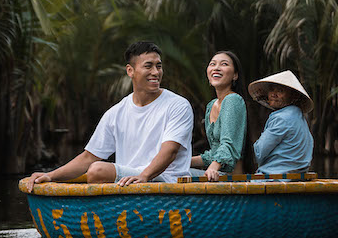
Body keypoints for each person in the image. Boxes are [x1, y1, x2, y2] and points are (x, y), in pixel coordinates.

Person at [26, 41, 193, 189]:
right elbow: (88, 157)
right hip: (129, 183)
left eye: (159, 66)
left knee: (98, 170)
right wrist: (50, 175)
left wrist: (144, 177)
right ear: (130, 70)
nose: (156, 72)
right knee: (96, 166)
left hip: (167, 182)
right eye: (148, 66)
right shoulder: (116, 112)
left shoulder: (178, 105)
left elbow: (170, 151)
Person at [189, 51, 249, 181]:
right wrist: (182, 161)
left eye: (224, 64)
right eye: (212, 64)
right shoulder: (211, 105)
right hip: (216, 173)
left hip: (229, 177)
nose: (216, 67)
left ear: (235, 75)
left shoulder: (233, 100)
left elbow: (229, 144)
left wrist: (213, 168)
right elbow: (215, 153)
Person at [248, 70, 314, 174]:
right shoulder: (297, 116)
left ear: (293, 96)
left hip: (275, 177)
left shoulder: (282, 118)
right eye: (271, 90)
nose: (274, 94)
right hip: (294, 175)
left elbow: (258, 153)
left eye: (280, 91)